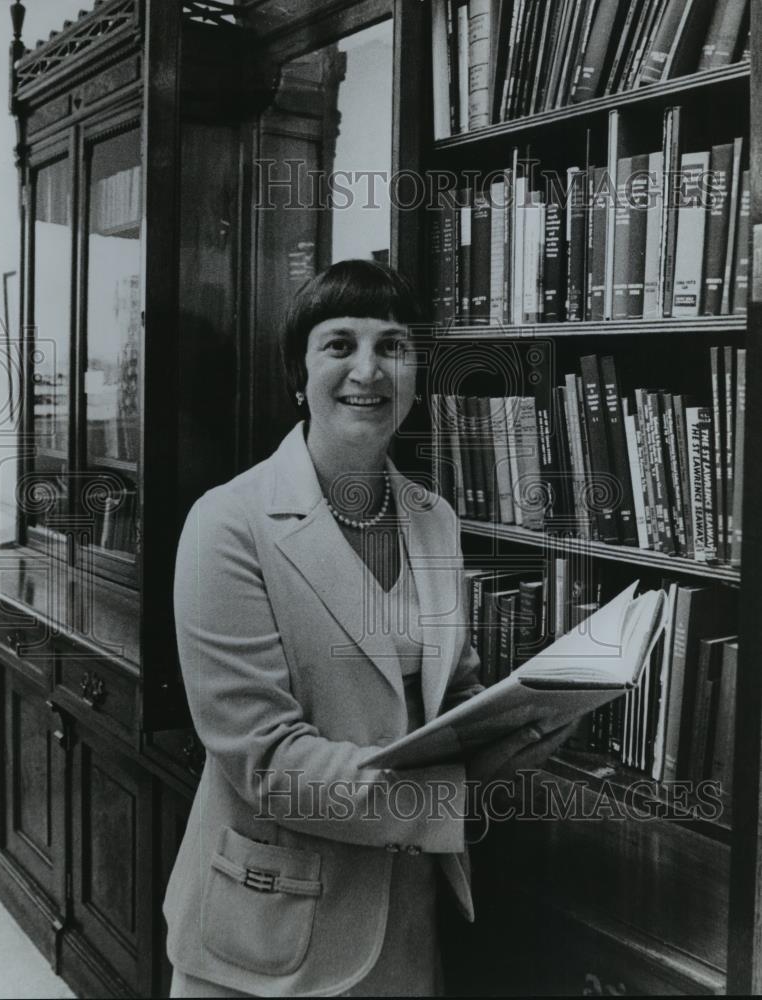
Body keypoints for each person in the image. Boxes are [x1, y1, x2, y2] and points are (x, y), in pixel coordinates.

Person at [164, 259, 572, 997]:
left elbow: (449, 690)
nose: (369, 370)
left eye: (393, 346)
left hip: (408, 929)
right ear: (300, 372)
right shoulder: (228, 524)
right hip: (269, 936)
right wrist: (452, 795)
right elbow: (268, 764)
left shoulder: (433, 518)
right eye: (339, 345)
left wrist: (525, 722)